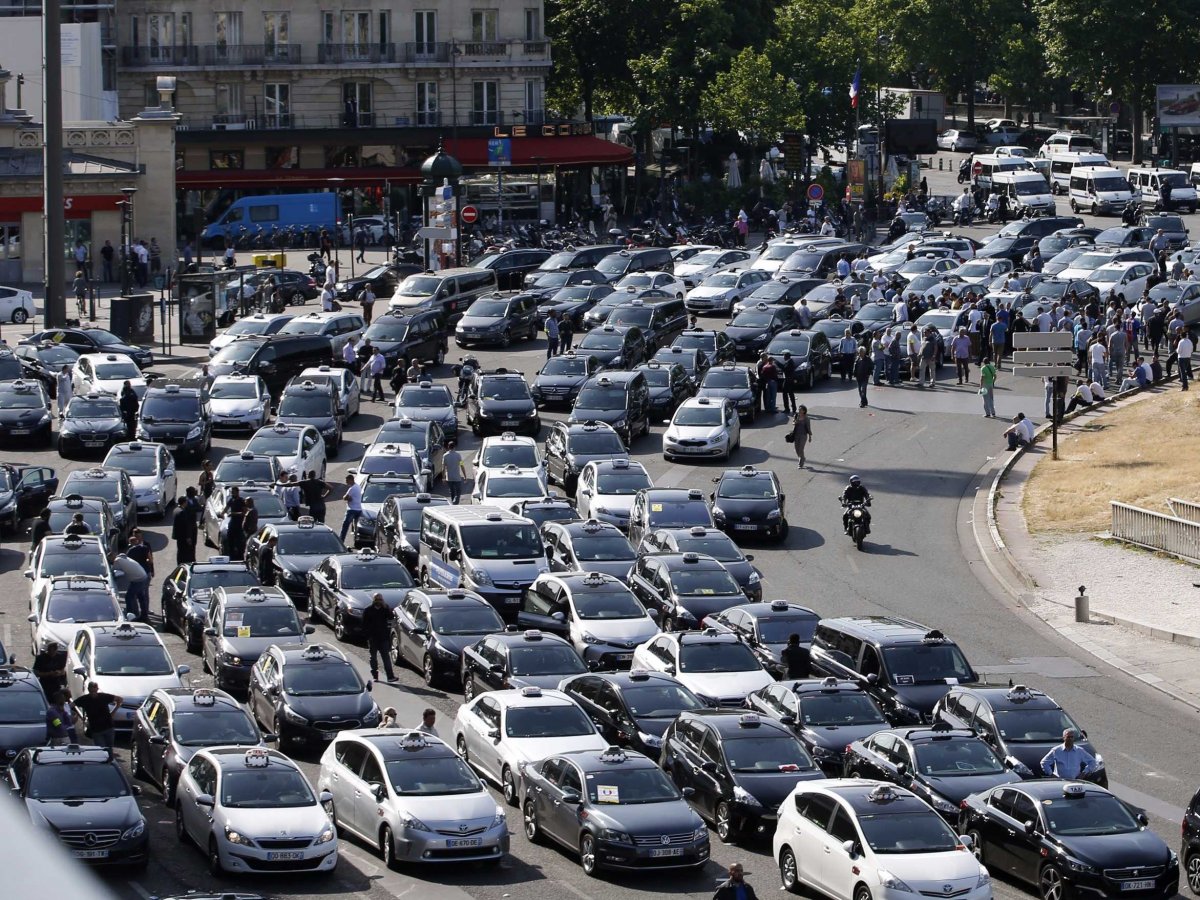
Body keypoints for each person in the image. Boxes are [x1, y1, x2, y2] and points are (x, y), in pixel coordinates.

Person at [72, 682, 122, 750]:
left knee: (109, 748)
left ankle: (109, 760)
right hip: (96, 729)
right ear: (88, 689)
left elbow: (119, 699)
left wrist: (113, 711)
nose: (93, 693)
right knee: (101, 749)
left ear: (97, 689)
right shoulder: (84, 699)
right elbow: (71, 705)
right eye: (91, 690)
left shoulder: (104, 696)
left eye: (94, 690)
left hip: (108, 727)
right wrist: (80, 716)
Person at [362, 592, 397, 683]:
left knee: (386, 658)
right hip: (373, 638)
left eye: (380, 599)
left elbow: (391, 618)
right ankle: (375, 675)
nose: (378, 601)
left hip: (383, 638)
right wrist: (368, 636)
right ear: (373, 600)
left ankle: (390, 676)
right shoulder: (368, 610)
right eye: (377, 599)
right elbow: (364, 625)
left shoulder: (385, 609)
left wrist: (387, 608)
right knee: (373, 658)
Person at [124, 530, 154, 621]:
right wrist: (149, 565)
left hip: (136, 576)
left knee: (134, 594)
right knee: (143, 594)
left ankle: (137, 613)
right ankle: (144, 614)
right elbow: (150, 560)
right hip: (145, 573)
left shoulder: (130, 551)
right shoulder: (145, 548)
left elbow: (127, 563)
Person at [172, 496, 198, 564]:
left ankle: (180, 563)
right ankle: (184, 563)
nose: (187, 503)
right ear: (184, 503)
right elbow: (185, 526)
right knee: (184, 551)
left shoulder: (176, 510)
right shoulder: (182, 512)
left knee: (180, 550)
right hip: (183, 536)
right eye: (186, 502)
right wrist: (188, 537)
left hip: (178, 535)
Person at [224, 485, 247, 559]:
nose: (232, 494)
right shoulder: (231, 500)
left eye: (233, 492)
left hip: (239, 524)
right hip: (232, 523)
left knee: (239, 542)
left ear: (237, 492)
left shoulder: (241, 501)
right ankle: (231, 555)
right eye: (231, 492)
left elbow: (244, 512)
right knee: (230, 539)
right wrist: (222, 513)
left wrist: (234, 513)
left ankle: (239, 557)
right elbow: (226, 508)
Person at [340, 473, 363, 542]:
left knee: (345, 526)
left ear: (351, 480)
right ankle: (356, 540)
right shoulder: (358, 486)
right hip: (359, 509)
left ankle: (341, 540)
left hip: (352, 510)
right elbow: (350, 498)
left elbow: (345, 497)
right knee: (356, 526)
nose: (346, 482)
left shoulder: (351, 488)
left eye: (347, 480)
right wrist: (349, 498)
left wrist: (346, 497)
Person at [789, 405, 812, 469]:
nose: (799, 410)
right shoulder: (796, 416)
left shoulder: (806, 418)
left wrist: (810, 436)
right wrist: (795, 422)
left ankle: (800, 462)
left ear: (804, 411)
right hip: (796, 435)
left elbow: (808, 428)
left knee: (801, 449)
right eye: (799, 409)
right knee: (797, 449)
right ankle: (802, 457)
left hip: (803, 435)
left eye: (801, 409)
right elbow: (793, 422)